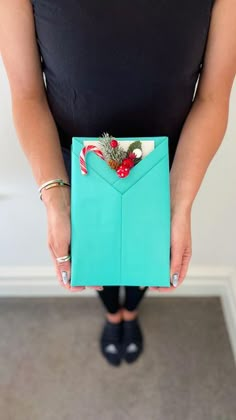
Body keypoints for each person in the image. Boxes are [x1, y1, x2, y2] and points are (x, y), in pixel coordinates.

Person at [0, 0, 235, 367]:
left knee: (150, 256)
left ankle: (132, 312)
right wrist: (55, 197)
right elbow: (27, 94)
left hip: (166, 172)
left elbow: (213, 95)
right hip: (77, 170)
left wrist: (180, 200)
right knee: (98, 259)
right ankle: (114, 315)